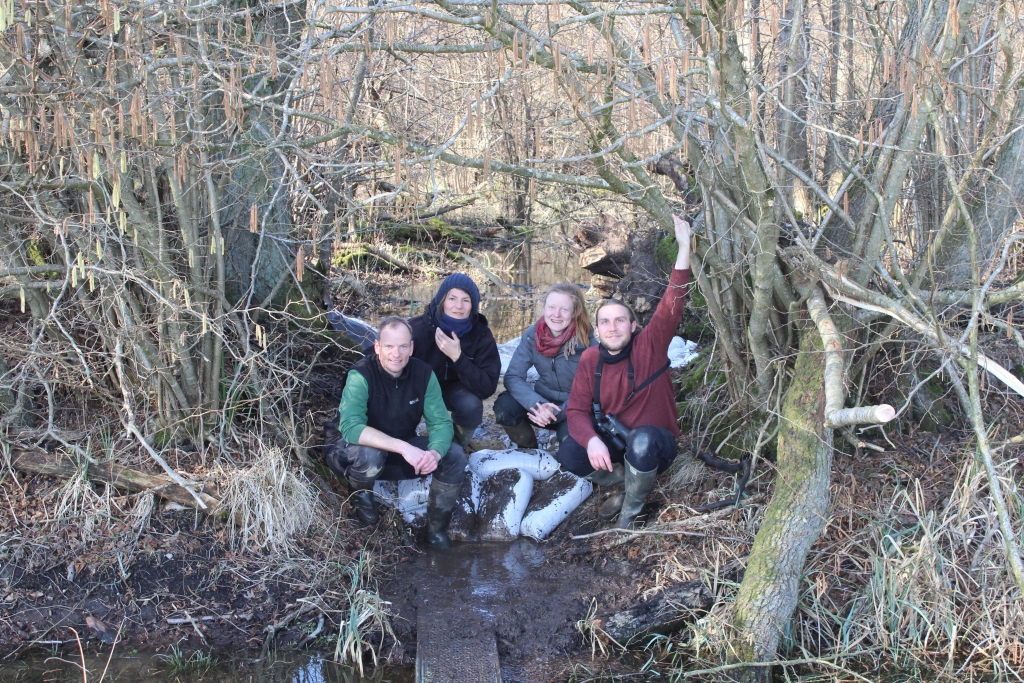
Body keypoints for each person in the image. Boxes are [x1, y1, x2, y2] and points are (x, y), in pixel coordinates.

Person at [558, 215, 691, 529]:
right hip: (619, 444)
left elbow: (672, 302)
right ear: (598, 330)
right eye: (605, 322)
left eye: (620, 320)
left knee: (643, 441)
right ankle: (625, 485)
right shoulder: (591, 359)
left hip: (655, 446)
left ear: (633, 325)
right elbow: (576, 410)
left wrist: (684, 248)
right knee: (569, 451)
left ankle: (630, 515)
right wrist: (591, 440)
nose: (612, 327)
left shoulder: (650, 346)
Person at [325, 316, 467, 548]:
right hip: (350, 454)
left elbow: (441, 423)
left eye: (403, 346)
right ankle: (362, 505)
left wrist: (435, 453)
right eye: (389, 346)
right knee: (371, 455)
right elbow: (351, 428)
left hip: (397, 451)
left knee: (455, 455)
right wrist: (403, 447)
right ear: (377, 346)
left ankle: (436, 532)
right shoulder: (360, 375)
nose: (396, 354)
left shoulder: (423, 374)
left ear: (411, 347)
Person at [493, 284, 595, 449]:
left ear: (575, 312)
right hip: (542, 403)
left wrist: (559, 411)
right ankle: (530, 449)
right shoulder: (532, 336)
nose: (556, 314)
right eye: (552, 307)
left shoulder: (589, 344)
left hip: (574, 409)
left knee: (570, 449)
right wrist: (537, 404)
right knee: (505, 407)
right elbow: (513, 376)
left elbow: (593, 393)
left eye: (564, 309)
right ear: (544, 308)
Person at [409, 273, 501, 449]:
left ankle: (456, 444)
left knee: (471, 406)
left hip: (453, 391)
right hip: (418, 389)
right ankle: (404, 440)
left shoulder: (481, 335)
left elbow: (487, 386)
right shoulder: (417, 328)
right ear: (442, 300)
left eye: (466, 300)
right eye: (452, 298)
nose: (458, 306)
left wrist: (458, 357)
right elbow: (382, 353)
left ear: (473, 305)